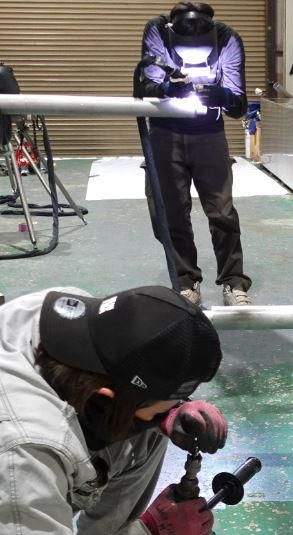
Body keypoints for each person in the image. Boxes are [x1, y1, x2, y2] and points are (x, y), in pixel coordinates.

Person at [0, 285, 228, 534]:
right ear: (106, 398)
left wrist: (173, 409)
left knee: (146, 435)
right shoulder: (26, 457)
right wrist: (150, 530)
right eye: (157, 412)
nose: (162, 416)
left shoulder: (71, 314)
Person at [139, 2, 252, 306]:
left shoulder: (227, 39)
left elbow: (239, 106)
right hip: (165, 133)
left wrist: (223, 95)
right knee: (171, 212)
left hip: (209, 134)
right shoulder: (158, 32)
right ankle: (186, 282)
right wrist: (167, 88)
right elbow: (145, 86)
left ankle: (233, 282)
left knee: (222, 212)